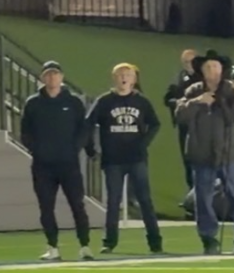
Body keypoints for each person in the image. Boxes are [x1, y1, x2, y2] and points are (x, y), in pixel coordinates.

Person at [176, 50, 234, 256]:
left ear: (223, 70)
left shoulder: (232, 90)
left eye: (216, 66)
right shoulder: (193, 91)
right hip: (202, 155)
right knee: (203, 199)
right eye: (208, 67)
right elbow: (180, 116)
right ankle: (209, 239)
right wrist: (197, 102)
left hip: (229, 154)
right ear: (202, 71)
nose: (212, 70)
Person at [86, 62, 163, 254]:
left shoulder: (141, 101)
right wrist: (90, 148)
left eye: (127, 75)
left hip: (137, 158)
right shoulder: (104, 101)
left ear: (134, 79)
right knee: (113, 202)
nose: (124, 78)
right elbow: (88, 124)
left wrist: (143, 143)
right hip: (113, 159)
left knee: (145, 200)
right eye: (120, 74)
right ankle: (109, 242)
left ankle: (155, 242)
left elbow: (155, 124)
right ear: (114, 78)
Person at [20, 60, 92, 261]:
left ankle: (85, 245)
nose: (52, 78)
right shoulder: (33, 103)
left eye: (55, 74)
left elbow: (83, 129)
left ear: (61, 77)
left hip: (68, 163)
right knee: (46, 206)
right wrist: (37, 150)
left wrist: (75, 148)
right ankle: (52, 246)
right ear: (43, 78)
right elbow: (26, 131)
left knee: (77, 204)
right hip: (43, 165)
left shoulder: (74, 102)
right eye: (48, 74)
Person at [162, 48, 199, 189]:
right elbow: (167, 98)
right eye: (185, 62)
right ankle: (192, 193)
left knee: (200, 161)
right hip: (184, 125)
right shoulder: (179, 78)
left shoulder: (204, 79)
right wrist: (176, 102)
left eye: (191, 61)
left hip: (201, 125)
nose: (188, 64)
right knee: (187, 160)